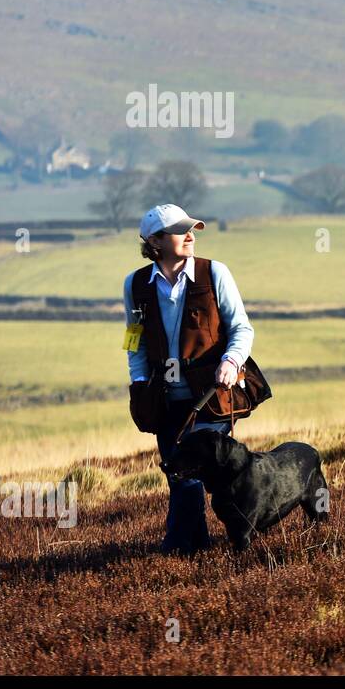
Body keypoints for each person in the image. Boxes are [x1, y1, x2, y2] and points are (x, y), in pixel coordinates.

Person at [123, 204, 254, 553]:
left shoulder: (215, 273)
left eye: (191, 228)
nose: (191, 235)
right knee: (178, 476)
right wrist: (139, 383)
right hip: (164, 399)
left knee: (189, 476)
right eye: (181, 230)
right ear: (155, 241)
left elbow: (241, 327)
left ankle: (175, 548)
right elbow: (133, 338)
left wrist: (231, 360)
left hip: (211, 395)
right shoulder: (135, 285)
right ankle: (198, 550)